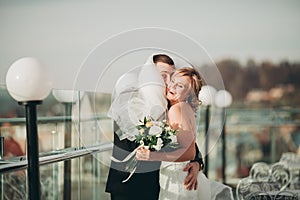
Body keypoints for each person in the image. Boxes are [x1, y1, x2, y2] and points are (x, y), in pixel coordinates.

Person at [105, 54, 203, 200]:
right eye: (163, 76)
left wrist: (197, 162)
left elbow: (185, 139)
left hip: (159, 185)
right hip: (128, 185)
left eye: (172, 76)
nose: (168, 82)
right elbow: (136, 140)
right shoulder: (130, 101)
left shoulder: (170, 104)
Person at [136, 67, 234, 200]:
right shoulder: (183, 108)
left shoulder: (177, 110)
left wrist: (152, 156)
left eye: (180, 86)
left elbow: (189, 152)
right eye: (173, 81)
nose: (173, 86)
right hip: (180, 177)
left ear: (189, 94)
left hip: (177, 182)